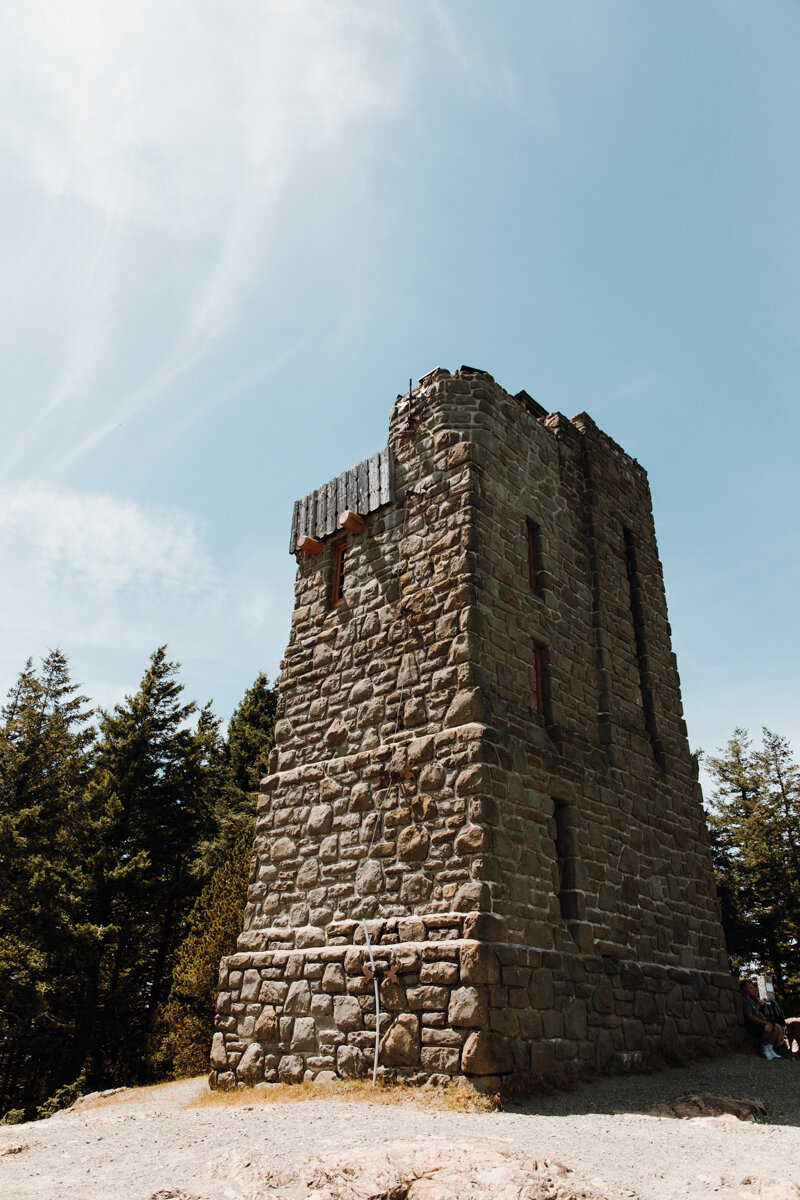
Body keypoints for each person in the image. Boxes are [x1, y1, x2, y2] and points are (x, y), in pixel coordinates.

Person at [740, 978, 788, 1059]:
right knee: (768, 1028)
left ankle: (770, 1048)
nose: (753, 990)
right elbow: (750, 1016)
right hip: (751, 1024)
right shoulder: (744, 1000)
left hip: (757, 1021)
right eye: (750, 988)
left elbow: (755, 1011)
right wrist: (764, 1022)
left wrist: (759, 1012)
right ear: (745, 988)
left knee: (777, 1027)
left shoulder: (751, 1000)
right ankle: (765, 1048)